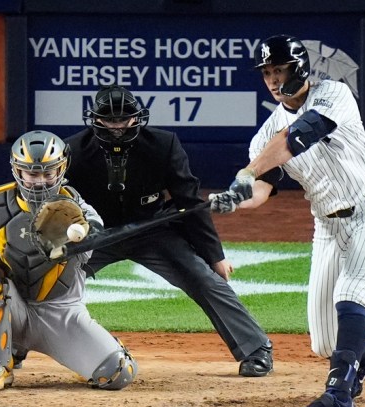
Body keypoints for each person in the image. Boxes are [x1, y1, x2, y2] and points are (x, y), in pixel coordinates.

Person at [210, 35, 365, 407]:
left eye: (279, 70)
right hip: (328, 227)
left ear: (299, 68)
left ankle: (339, 400)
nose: (274, 80)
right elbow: (262, 189)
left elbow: (299, 136)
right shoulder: (264, 136)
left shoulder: (334, 95)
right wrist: (234, 200)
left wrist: (246, 172)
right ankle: (362, 357)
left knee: (351, 294)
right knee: (326, 343)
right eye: (267, 73)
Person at [60, 84, 273, 377]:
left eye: (123, 119)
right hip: (95, 235)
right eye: (109, 120)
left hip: (151, 230)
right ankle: (16, 347)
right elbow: (58, 203)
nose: (117, 127)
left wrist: (215, 256)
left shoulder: (163, 144)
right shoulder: (71, 150)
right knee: (48, 278)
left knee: (203, 277)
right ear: (95, 119)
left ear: (136, 118)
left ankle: (257, 349)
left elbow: (188, 201)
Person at [0, 129, 137, 391]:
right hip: (12, 309)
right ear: (18, 171)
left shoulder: (80, 210)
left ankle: (83, 353)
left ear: (61, 170)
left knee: (117, 374)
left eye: (47, 172)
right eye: (32, 173)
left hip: (61, 314)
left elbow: (96, 232)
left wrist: (85, 236)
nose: (40, 181)